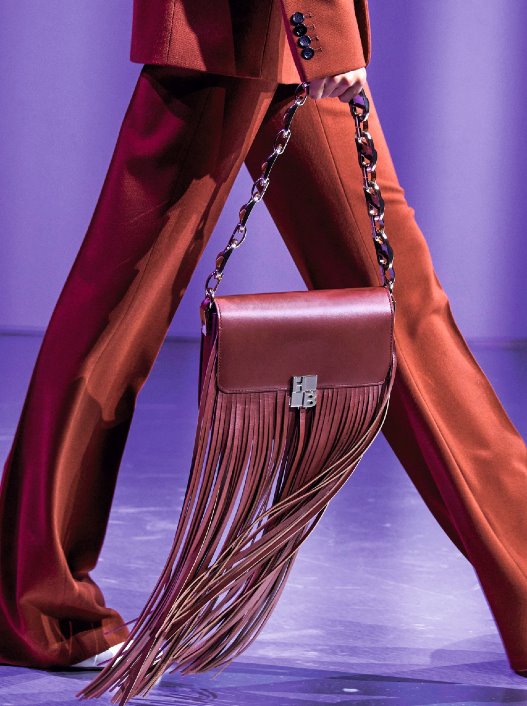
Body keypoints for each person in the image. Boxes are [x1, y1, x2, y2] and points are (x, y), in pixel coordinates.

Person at [1, 0, 526, 678]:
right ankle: (31, 600)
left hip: (265, 34)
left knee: (399, 310)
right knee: (118, 309)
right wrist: (326, 29)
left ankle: (32, 598)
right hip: (239, 25)